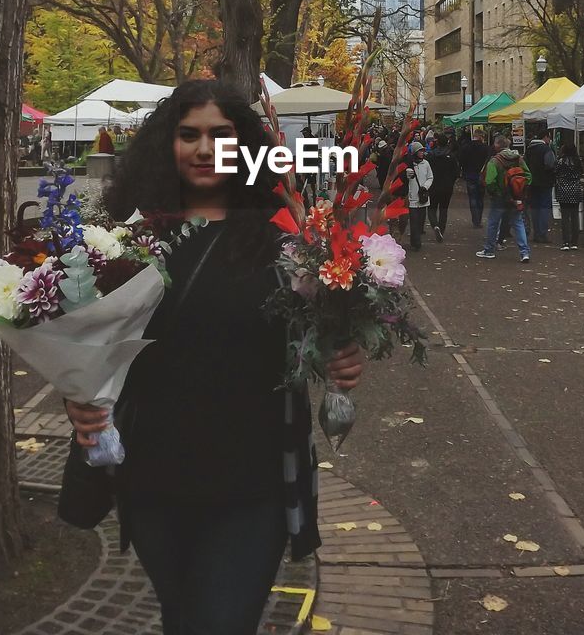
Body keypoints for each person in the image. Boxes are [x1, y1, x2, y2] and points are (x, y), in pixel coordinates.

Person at [66, 80, 364, 634]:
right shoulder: (125, 244)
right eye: (189, 135)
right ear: (168, 145)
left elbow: (318, 340)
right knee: (182, 619)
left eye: (220, 134)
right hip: (154, 481)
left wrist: (340, 360)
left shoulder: (289, 241)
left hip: (252, 488)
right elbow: (95, 352)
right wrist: (78, 399)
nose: (205, 149)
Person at [476, 138, 530, 262]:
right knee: (518, 223)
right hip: (516, 196)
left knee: (493, 222)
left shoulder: (494, 161)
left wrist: (496, 192)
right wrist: (519, 189)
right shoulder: (519, 159)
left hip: (499, 197)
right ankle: (524, 252)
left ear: (497, 146)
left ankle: (489, 250)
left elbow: (489, 181)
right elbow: (528, 176)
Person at [525, 129, 556, 243]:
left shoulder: (529, 149)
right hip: (545, 182)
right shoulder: (546, 149)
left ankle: (536, 233)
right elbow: (550, 164)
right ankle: (542, 233)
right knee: (544, 207)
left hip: (532, 182)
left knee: (534, 207)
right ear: (546, 137)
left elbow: (524, 164)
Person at [426, 137, 459, 241]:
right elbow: (456, 172)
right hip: (447, 186)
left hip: (433, 185)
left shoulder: (431, 155)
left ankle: (435, 225)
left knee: (431, 208)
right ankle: (441, 229)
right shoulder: (451, 156)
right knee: (444, 209)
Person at [404, 141, 434, 252]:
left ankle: (415, 240)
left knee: (420, 221)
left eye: (422, 151)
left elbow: (430, 177)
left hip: (423, 196)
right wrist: (406, 174)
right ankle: (416, 242)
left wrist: (425, 187)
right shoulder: (410, 165)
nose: (422, 153)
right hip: (412, 197)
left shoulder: (426, 164)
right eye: (420, 151)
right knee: (414, 220)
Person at [554, 141, 584, 250]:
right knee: (575, 216)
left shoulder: (560, 161)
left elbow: (555, 172)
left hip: (563, 189)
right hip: (575, 189)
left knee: (565, 217)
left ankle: (566, 242)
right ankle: (575, 242)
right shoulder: (578, 161)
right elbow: (581, 172)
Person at [458, 132, 491, 228]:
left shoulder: (466, 147)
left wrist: (464, 170)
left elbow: (461, 160)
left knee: (472, 197)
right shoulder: (486, 148)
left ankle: (475, 219)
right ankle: (479, 219)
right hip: (481, 175)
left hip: (470, 174)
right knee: (480, 198)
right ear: (481, 137)